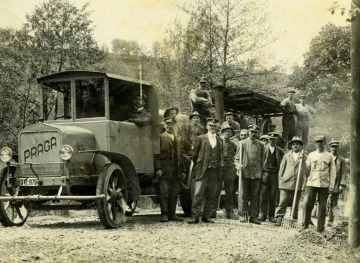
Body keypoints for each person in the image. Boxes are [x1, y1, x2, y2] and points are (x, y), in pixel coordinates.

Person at [188, 118, 223, 224]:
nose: (212, 127)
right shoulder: (200, 138)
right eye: (210, 125)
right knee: (198, 193)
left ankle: (206, 216)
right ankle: (195, 216)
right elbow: (194, 155)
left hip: (215, 170)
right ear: (207, 127)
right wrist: (198, 166)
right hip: (202, 170)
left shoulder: (220, 140)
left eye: (214, 126)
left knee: (212, 194)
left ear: (217, 127)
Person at [154, 117, 186, 222]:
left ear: (174, 125)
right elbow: (156, 154)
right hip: (165, 169)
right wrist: (158, 168)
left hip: (176, 170)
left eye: (172, 124)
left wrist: (183, 170)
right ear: (164, 125)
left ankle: (172, 214)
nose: (170, 126)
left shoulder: (177, 138)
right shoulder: (160, 137)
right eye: (168, 124)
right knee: (164, 192)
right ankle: (164, 214)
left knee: (175, 192)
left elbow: (180, 155)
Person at [303, 135, 336, 232]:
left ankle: (320, 229)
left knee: (322, 207)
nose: (319, 144)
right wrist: (303, 162)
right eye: (317, 142)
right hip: (312, 183)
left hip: (324, 184)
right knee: (308, 204)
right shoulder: (311, 155)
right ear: (315, 143)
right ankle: (305, 226)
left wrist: (331, 186)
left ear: (325, 143)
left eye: (321, 142)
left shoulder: (329, 156)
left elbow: (333, 173)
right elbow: (307, 170)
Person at [235, 124, 264, 224]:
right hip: (245, 173)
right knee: (243, 195)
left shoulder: (261, 145)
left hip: (256, 174)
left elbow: (262, 160)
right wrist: (238, 165)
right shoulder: (242, 143)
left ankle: (253, 216)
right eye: (252, 132)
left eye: (255, 132)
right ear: (249, 132)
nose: (254, 134)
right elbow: (237, 158)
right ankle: (243, 215)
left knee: (255, 196)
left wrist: (261, 172)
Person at [274, 136, 308, 226]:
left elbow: (307, 170)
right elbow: (281, 169)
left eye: (297, 144)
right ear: (291, 146)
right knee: (283, 201)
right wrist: (280, 180)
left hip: (298, 183)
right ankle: (279, 218)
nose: (295, 146)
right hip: (286, 182)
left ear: (301, 146)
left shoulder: (304, 157)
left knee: (295, 203)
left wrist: (303, 160)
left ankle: (293, 219)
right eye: (293, 144)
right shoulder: (286, 156)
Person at [212, 124, 237, 219]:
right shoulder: (218, 143)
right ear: (222, 133)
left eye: (229, 132)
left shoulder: (234, 145)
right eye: (225, 131)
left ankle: (229, 212)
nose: (227, 133)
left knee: (229, 191)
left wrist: (233, 165)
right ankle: (212, 211)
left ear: (231, 134)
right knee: (216, 190)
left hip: (229, 169)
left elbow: (237, 156)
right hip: (219, 169)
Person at [258, 132, 285, 223]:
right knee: (263, 194)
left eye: (274, 139)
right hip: (265, 174)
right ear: (268, 140)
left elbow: (283, 163)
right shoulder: (263, 149)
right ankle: (262, 214)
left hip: (274, 174)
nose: (272, 141)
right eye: (270, 139)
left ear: (276, 140)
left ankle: (271, 216)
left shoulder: (280, 151)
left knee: (273, 195)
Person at [327, 141, 347, 227]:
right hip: (326, 182)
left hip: (336, 183)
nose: (334, 148)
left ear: (338, 148)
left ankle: (330, 220)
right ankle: (318, 218)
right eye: (333, 147)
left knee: (334, 202)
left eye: (336, 147)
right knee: (322, 200)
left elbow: (344, 173)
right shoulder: (326, 157)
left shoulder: (341, 160)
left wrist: (342, 184)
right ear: (330, 148)